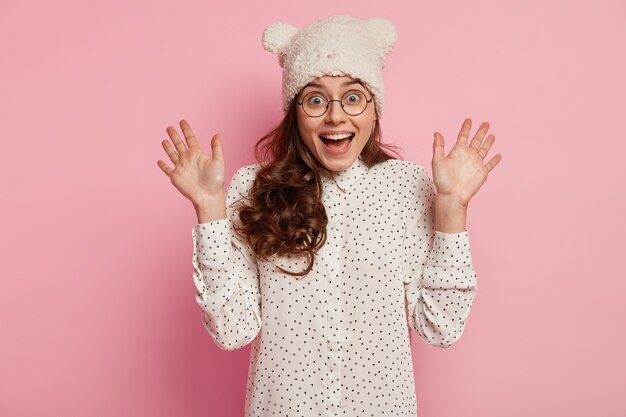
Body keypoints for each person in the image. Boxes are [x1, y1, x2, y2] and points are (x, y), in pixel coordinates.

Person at [157, 15, 501, 417]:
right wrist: (209, 211)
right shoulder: (251, 189)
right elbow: (232, 330)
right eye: (316, 99)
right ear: (295, 113)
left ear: (375, 109)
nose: (336, 116)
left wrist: (453, 208)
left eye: (353, 97)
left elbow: (439, 326)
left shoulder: (407, 187)